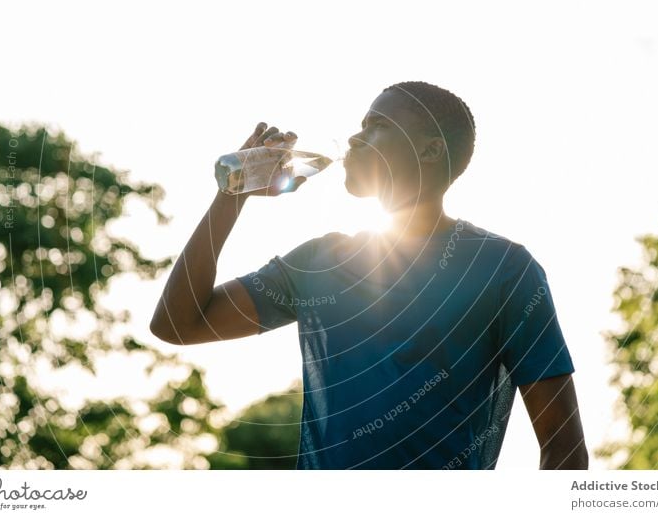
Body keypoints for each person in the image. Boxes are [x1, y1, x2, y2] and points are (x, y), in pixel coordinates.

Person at [149, 81, 588, 470]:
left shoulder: (505, 270)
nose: (356, 137)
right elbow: (177, 324)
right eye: (360, 124)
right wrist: (233, 193)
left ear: (430, 150)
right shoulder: (319, 261)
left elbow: (564, 447)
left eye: (377, 126)